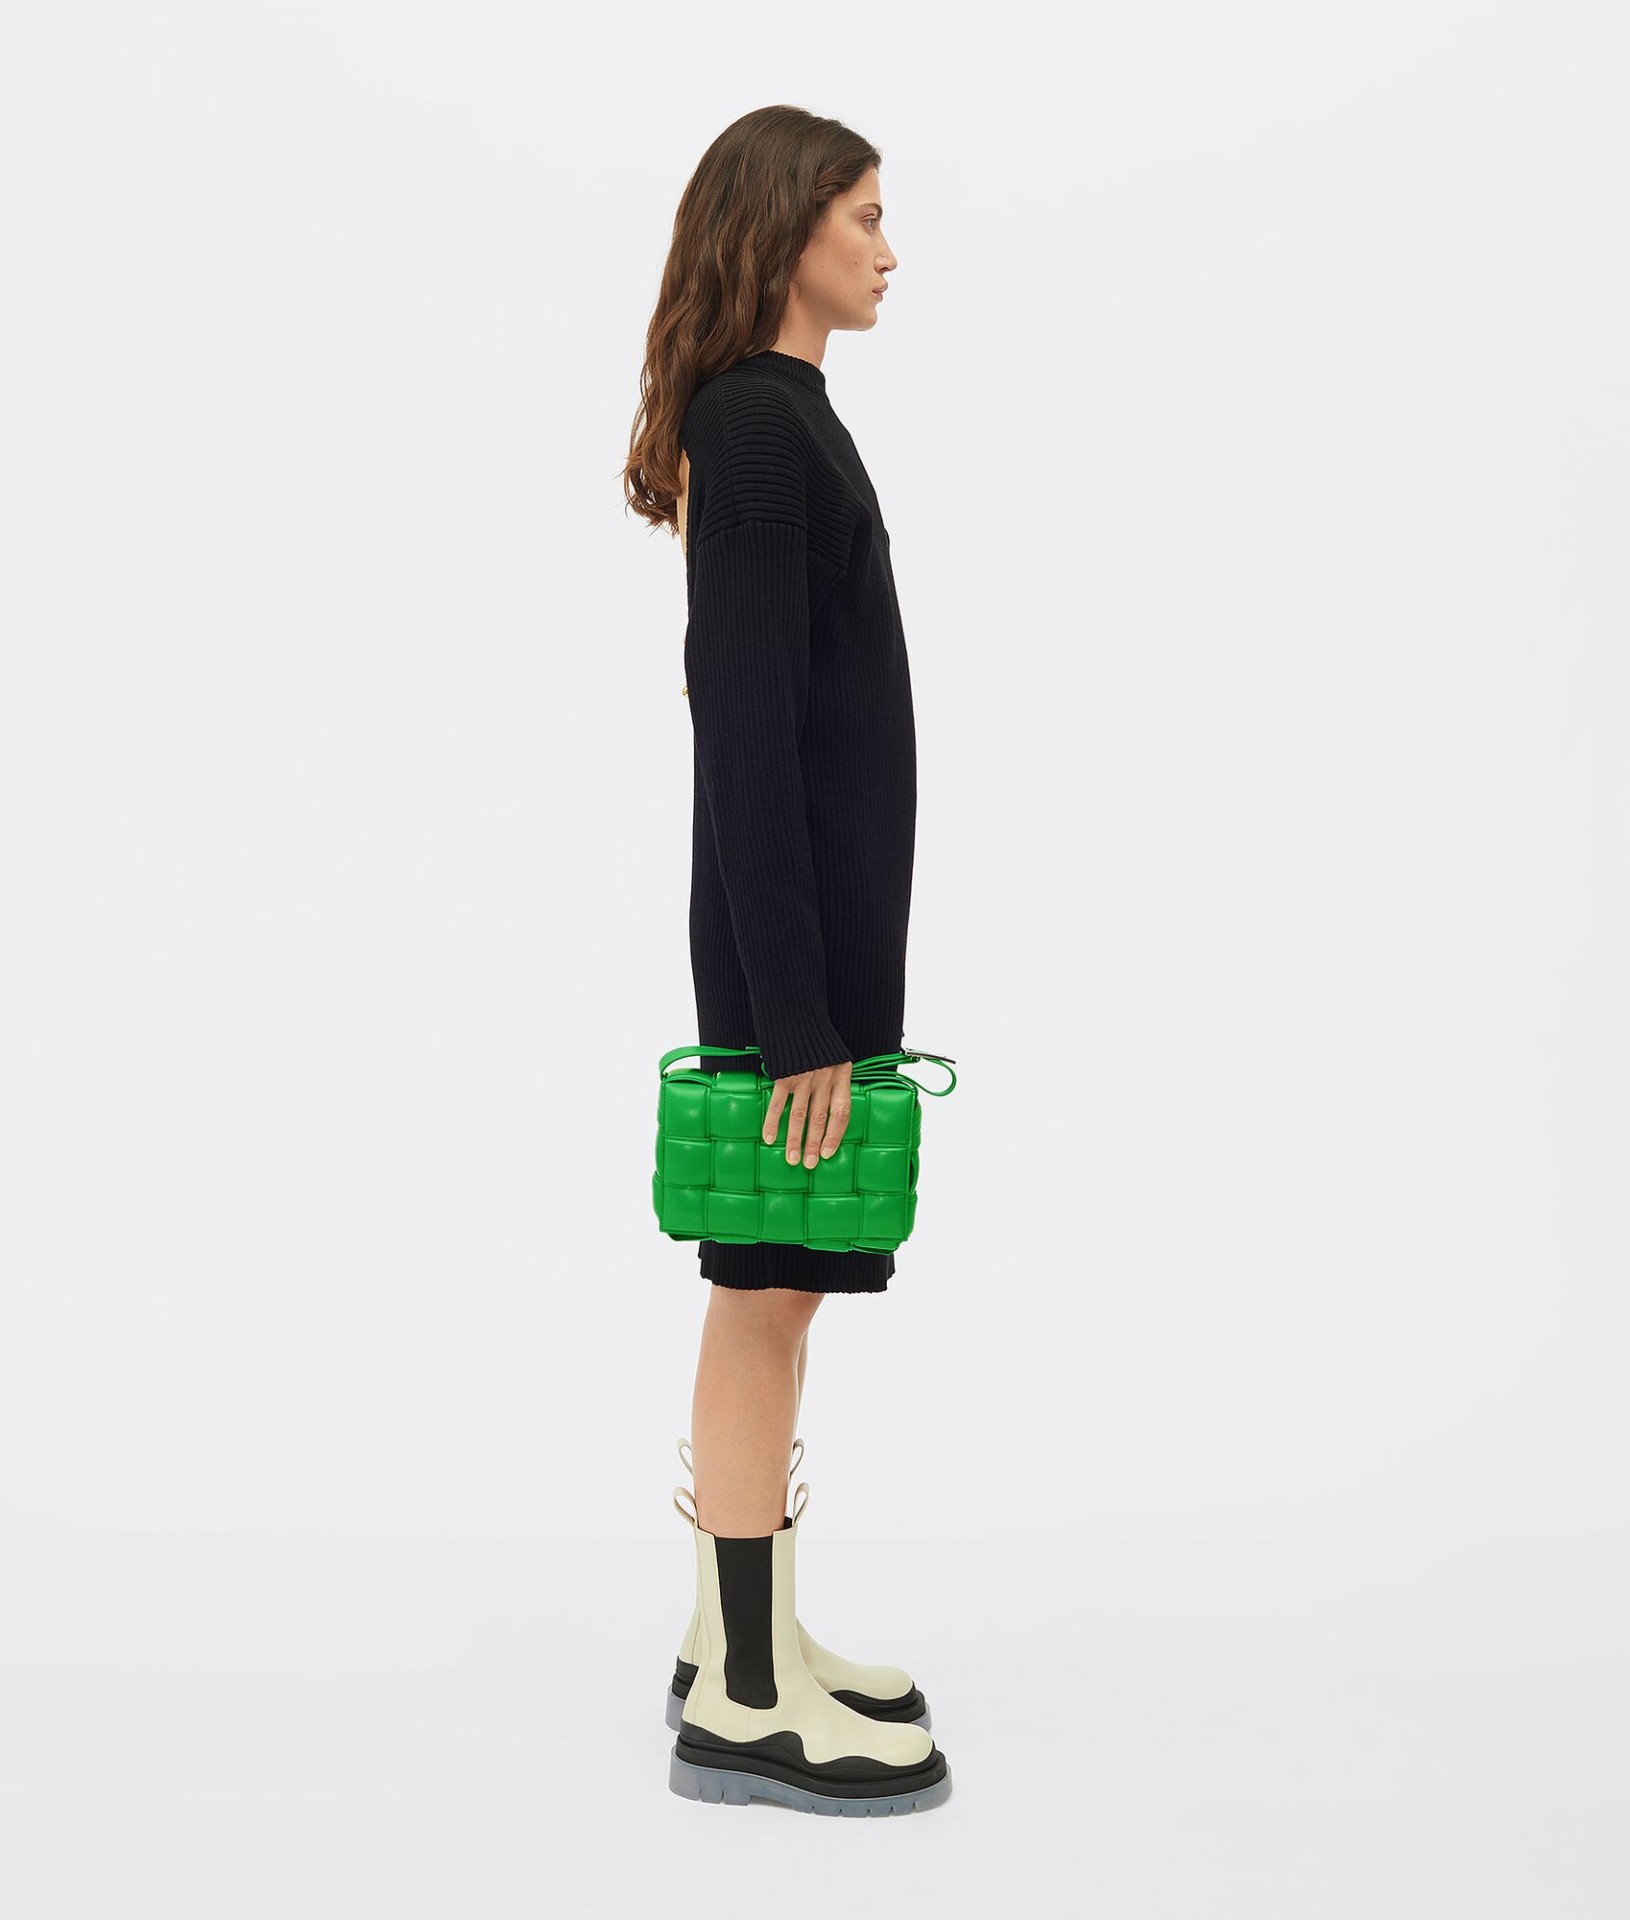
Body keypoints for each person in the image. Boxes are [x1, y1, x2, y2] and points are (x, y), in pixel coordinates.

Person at [624, 106, 950, 1815]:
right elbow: (744, 739)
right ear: (786, 228)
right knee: (763, 1286)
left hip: (811, 941)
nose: (890, 251)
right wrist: (799, 1015)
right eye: (866, 217)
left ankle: (736, 1634)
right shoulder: (756, 426)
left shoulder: (780, 417)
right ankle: (746, 1703)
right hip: (789, 959)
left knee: (787, 1279)